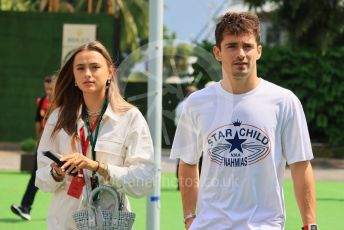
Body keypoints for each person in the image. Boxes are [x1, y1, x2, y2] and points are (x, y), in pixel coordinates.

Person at [170, 12, 317, 230]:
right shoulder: (196, 103)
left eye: (247, 46)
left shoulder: (284, 101)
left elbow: (300, 165)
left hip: (265, 226)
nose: (241, 54)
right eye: (231, 46)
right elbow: (188, 163)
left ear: (258, 51)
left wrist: (310, 225)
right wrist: (190, 219)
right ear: (217, 52)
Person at [35, 41, 154, 229]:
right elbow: (41, 180)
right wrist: (56, 172)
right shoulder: (58, 118)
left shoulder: (130, 118)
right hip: (65, 222)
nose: (87, 74)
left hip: (110, 221)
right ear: (74, 76)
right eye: (80, 68)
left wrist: (100, 168)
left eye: (95, 67)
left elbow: (145, 180)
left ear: (110, 72)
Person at [11, 75, 55, 221]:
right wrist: (38, 142)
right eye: (46, 88)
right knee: (35, 175)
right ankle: (25, 208)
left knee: (67, 178)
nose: (48, 91)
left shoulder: (64, 103)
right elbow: (38, 122)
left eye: (51, 88)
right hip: (44, 146)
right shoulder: (42, 101)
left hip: (59, 147)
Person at [174, 85, 198, 190]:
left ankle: (180, 183)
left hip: (181, 134)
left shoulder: (180, 105)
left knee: (181, 159)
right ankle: (190, 183)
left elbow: (176, 120)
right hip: (191, 135)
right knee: (192, 160)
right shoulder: (193, 105)